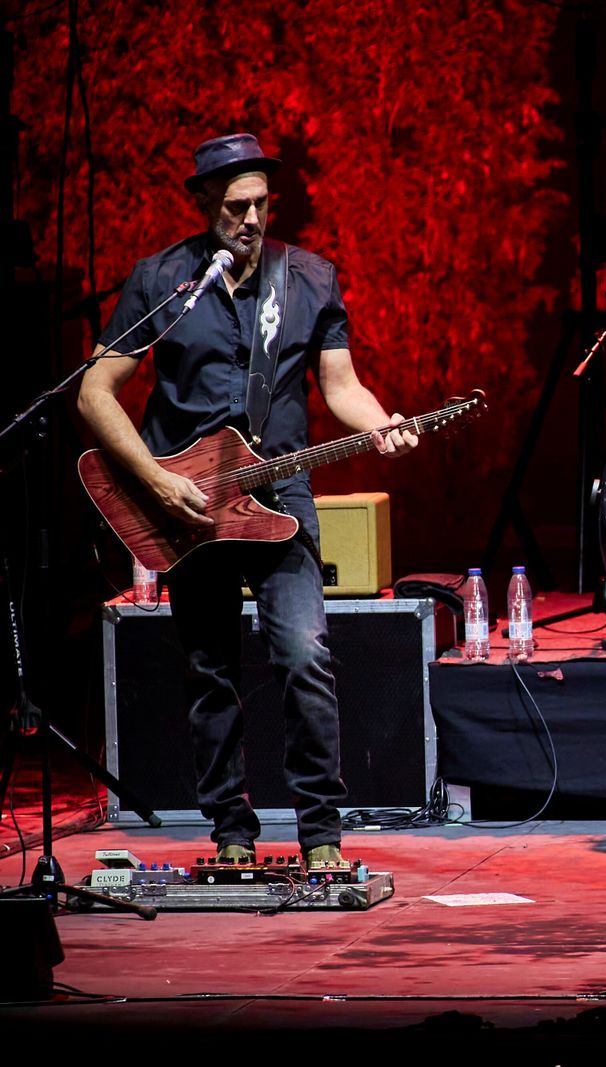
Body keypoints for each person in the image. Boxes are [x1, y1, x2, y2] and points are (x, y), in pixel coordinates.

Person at [77, 133, 418, 867]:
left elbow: (341, 386)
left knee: (304, 653)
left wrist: (381, 424)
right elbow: (94, 391)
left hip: (278, 493)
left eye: (263, 203)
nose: (253, 219)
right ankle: (231, 832)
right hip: (187, 499)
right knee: (210, 670)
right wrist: (155, 478)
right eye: (236, 206)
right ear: (205, 203)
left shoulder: (310, 279)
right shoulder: (164, 280)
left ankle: (321, 835)